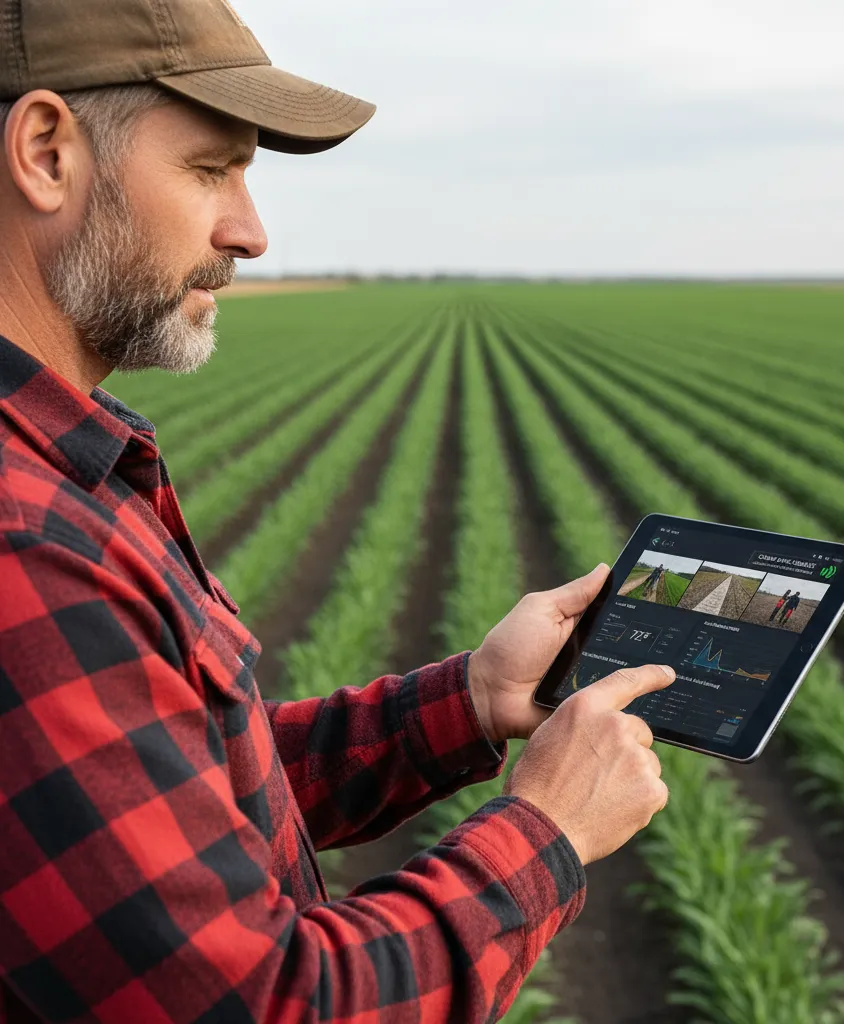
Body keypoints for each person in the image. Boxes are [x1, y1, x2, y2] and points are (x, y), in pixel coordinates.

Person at [0, 3, 674, 1021]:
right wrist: (548, 829)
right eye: (208, 169)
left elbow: (175, 805)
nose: (252, 231)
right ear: (47, 151)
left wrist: (470, 701)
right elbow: (268, 1005)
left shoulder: (59, 469)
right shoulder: (25, 539)